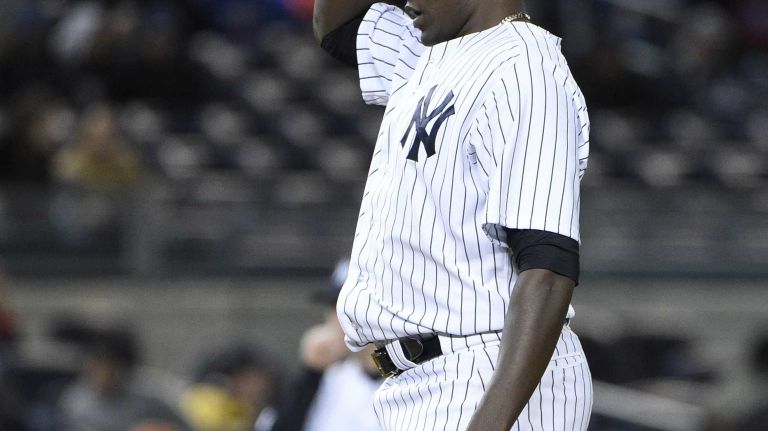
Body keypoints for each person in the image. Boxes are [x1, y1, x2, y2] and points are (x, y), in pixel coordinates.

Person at [312, 1, 592, 430]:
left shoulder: (525, 69)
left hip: (487, 373)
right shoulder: (426, 51)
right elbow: (333, 26)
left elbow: (549, 268)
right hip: (419, 381)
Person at [270, 259, 382, 431]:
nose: (333, 319)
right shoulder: (330, 378)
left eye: (343, 308)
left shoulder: (414, 376)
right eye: (333, 308)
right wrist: (311, 375)